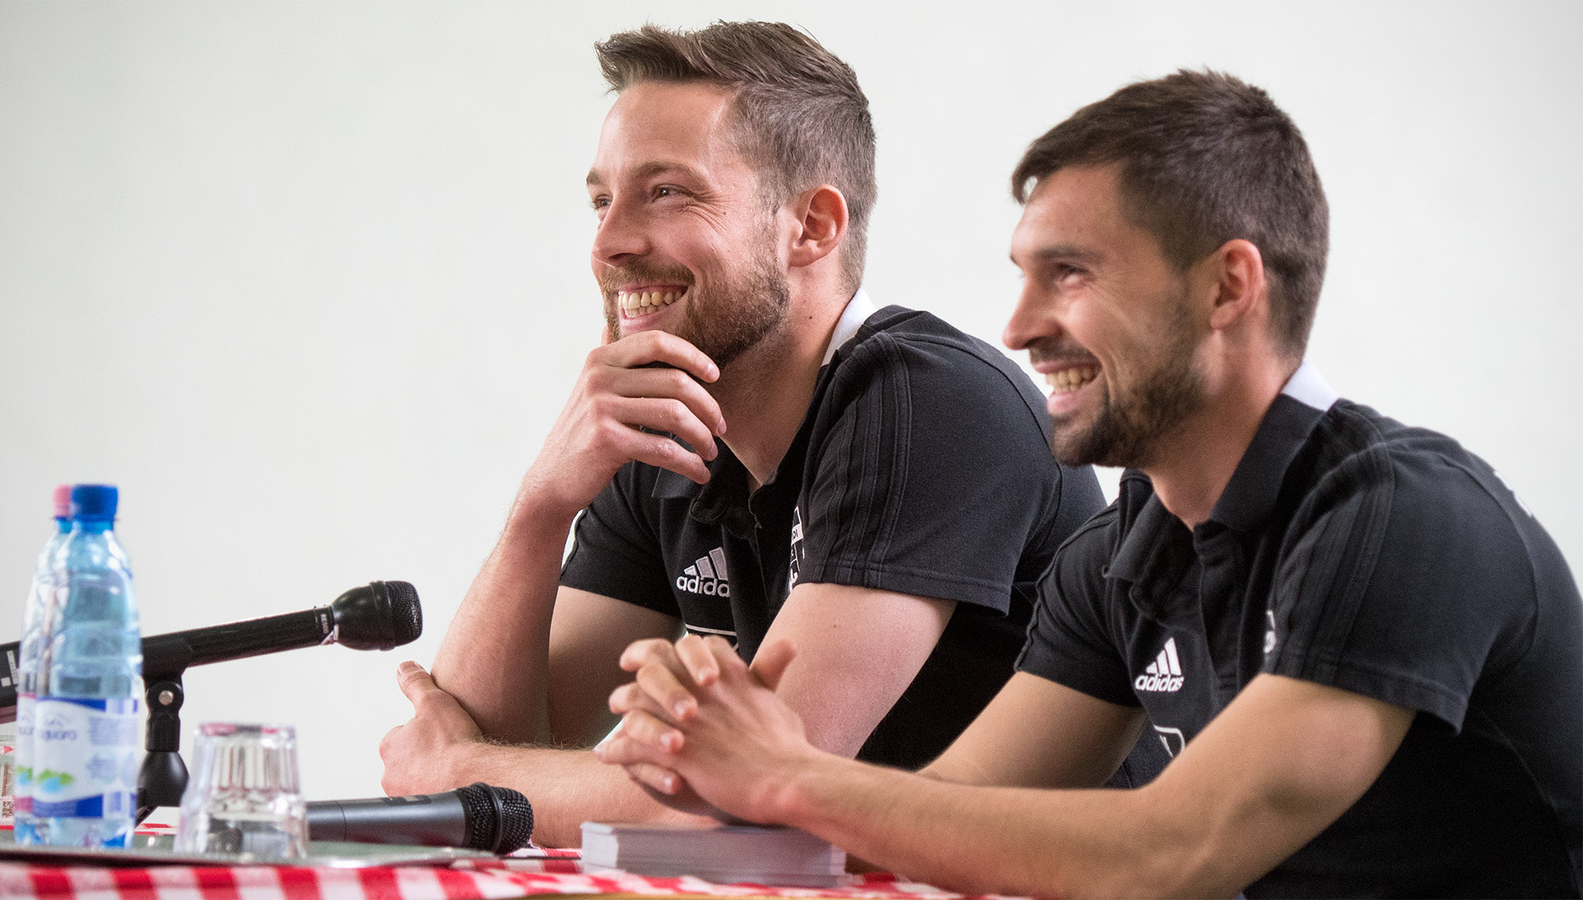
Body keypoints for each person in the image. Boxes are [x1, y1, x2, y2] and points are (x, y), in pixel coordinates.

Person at [597, 69, 1583, 897]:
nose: (1019, 326)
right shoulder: (1114, 558)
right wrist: (723, 758)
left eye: (1069, 274)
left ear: (1227, 287)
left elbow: (1174, 850)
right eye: (1024, 275)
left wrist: (785, 777)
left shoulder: (1399, 517)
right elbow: (955, 817)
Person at [378, 21, 1118, 848]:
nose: (608, 243)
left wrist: (454, 774)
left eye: (668, 192)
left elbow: (743, 799)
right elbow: (502, 737)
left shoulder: (928, 403)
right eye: (601, 200)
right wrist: (541, 507)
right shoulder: (662, 420)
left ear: (812, 226)